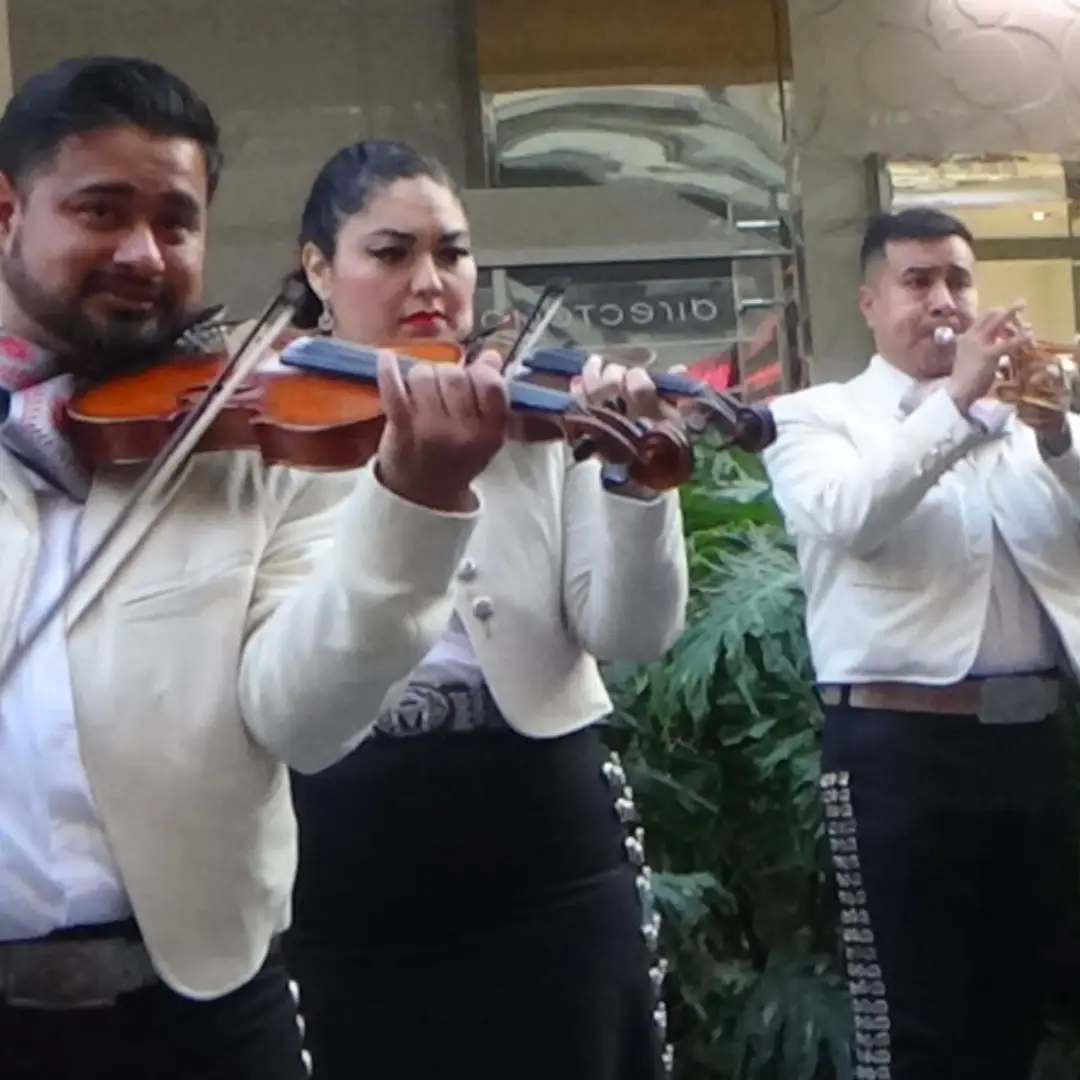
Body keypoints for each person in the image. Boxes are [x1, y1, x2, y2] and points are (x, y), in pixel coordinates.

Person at [0, 58, 517, 1079]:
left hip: (201, 1014)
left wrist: (415, 502)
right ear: (8, 209)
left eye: (177, 221)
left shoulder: (256, 440)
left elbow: (304, 722)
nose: (144, 252)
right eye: (102, 211)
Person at [282, 139, 688, 1080]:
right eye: (391, 253)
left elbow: (632, 632)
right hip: (340, 826)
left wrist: (633, 478)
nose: (430, 282)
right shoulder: (270, 422)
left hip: (538, 816)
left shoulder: (530, 411)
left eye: (452, 253)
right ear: (317, 267)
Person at [762, 207, 1080, 1080]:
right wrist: (956, 405)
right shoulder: (812, 418)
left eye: (959, 281)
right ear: (869, 301)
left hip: (1032, 746)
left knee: (1019, 1017)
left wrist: (1055, 435)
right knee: (915, 1034)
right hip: (898, 752)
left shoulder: (1029, 425)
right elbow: (852, 517)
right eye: (918, 282)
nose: (944, 301)